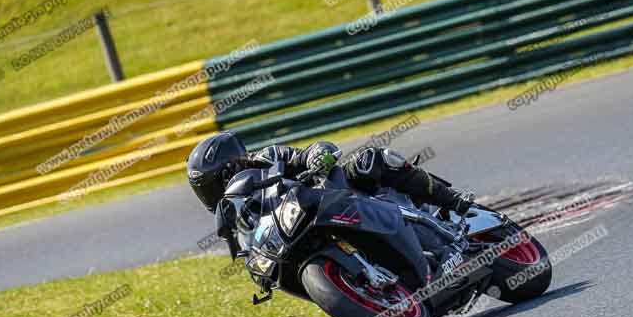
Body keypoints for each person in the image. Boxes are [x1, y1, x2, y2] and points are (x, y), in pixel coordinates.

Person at [187, 132, 475, 216]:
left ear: (231, 166)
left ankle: (451, 199)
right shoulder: (233, 217)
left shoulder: (268, 157)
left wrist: (317, 156)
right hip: (310, 226)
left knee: (372, 159)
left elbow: (307, 152)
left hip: (335, 192)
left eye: (213, 183)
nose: (211, 193)